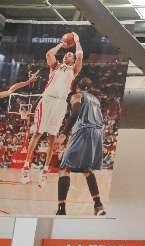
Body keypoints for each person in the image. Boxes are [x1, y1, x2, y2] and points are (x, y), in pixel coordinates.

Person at [21, 32, 83, 184]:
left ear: (73, 60)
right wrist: (62, 44)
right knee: (38, 133)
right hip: (47, 100)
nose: (68, 55)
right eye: (66, 54)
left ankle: (45, 170)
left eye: (70, 54)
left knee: (52, 138)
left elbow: (80, 56)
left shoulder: (74, 70)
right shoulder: (56, 66)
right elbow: (49, 54)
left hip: (60, 104)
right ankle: (26, 167)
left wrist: (77, 41)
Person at [54, 76, 106, 216]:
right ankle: (98, 205)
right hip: (97, 134)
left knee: (64, 168)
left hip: (83, 131)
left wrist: (64, 133)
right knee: (87, 169)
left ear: (78, 87)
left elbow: (76, 113)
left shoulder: (77, 95)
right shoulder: (96, 100)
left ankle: (61, 209)